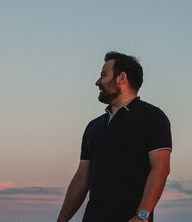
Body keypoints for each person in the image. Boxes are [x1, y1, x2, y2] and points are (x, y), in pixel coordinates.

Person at [56, 51, 172, 222]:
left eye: (103, 75)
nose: (97, 82)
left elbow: (160, 169)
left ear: (122, 78)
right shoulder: (93, 127)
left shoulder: (152, 117)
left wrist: (142, 216)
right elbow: (82, 178)